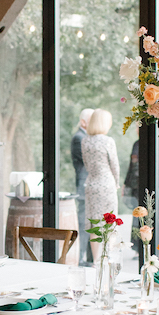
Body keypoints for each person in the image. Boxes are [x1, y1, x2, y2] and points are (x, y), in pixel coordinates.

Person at [81, 108, 120, 262]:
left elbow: (86, 163)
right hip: (106, 183)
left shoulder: (85, 140)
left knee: (95, 223)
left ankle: (96, 262)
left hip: (91, 183)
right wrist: (117, 182)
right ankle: (107, 257)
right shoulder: (108, 141)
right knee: (109, 222)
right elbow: (114, 165)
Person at [122, 139, 159, 245]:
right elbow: (132, 167)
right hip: (138, 187)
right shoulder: (137, 144)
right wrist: (126, 184)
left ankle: (158, 245)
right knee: (139, 217)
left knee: (156, 217)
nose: (138, 128)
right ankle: (138, 246)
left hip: (156, 186)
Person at [70, 108, 94, 264]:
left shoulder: (87, 137)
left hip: (90, 186)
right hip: (84, 186)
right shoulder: (79, 138)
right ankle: (79, 258)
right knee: (84, 222)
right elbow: (89, 162)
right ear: (83, 122)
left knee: (91, 222)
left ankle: (90, 259)